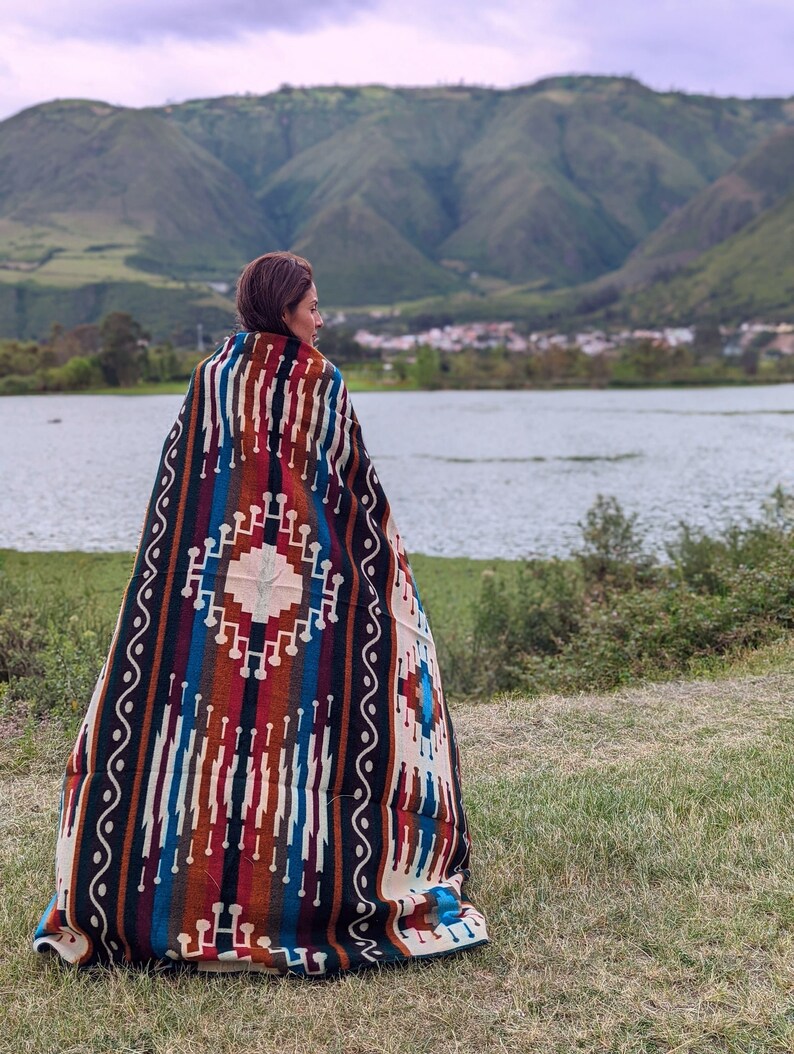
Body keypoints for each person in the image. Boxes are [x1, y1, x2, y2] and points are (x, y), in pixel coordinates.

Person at [34, 251, 488, 976]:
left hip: (214, 600)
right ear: (284, 308)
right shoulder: (321, 386)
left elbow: (179, 507)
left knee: (195, 742)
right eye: (312, 304)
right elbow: (356, 505)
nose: (320, 316)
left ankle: (169, 897)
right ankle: (303, 894)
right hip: (299, 605)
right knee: (298, 742)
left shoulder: (212, 380)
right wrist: (375, 584)